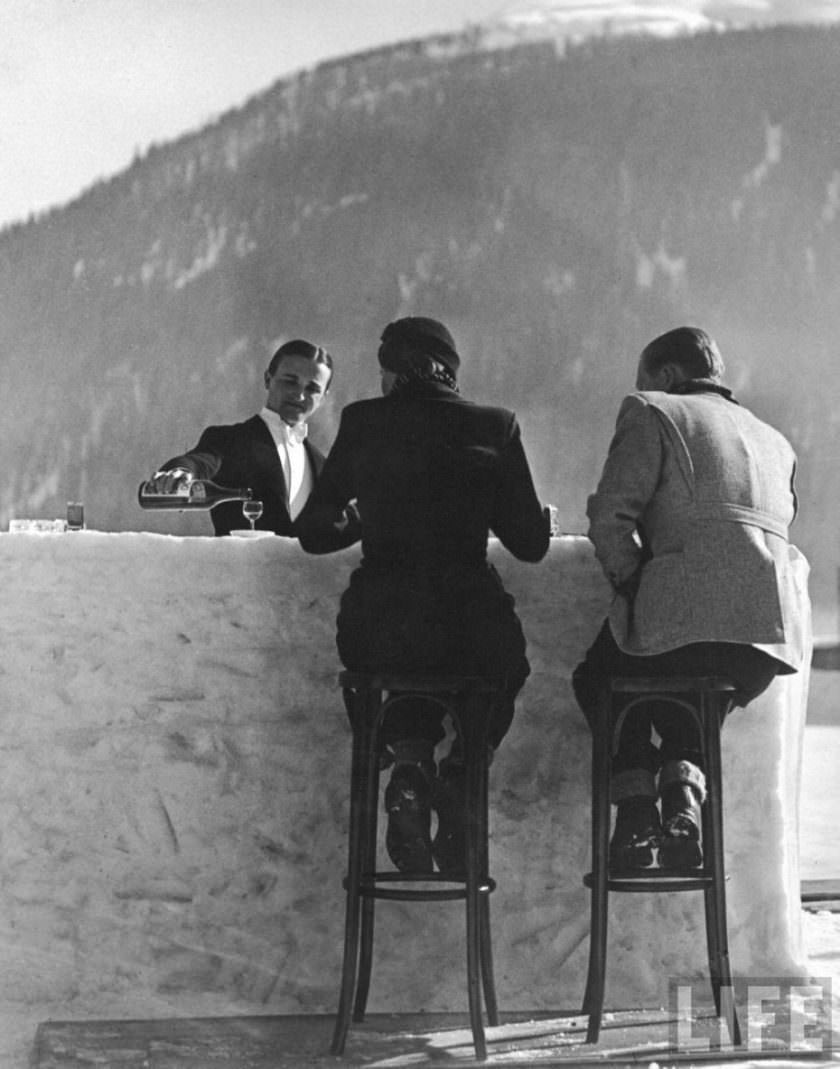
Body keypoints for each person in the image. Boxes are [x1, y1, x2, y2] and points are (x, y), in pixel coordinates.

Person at [297, 316, 550, 873]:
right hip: (472, 625)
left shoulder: (363, 421)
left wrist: (371, 516)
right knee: (503, 668)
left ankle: (410, 767)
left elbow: (314, 533)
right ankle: (462, 773)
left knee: (399, 664)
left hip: (379, 624)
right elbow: (530, 545)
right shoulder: (496, 426)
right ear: (450, 373)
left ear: (393, 373)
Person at [573, 326, 809, 870]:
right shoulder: (775, 440)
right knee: (684, 705)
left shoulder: (652, 410)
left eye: (645, 377)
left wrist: (633, 579)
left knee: (602, 681)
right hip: (764, 640)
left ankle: (635, 812)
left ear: (667, 375)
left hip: (680, 618)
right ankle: (683, 801)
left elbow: (610, 517)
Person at [146, 339, 337, 536]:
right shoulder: (230, 440)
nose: (299, 395)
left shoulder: (323, 465)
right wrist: (180, 473)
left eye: (312, 389)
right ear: (267, 379)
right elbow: (198, 461)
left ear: (323, 397)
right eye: (290, 381)